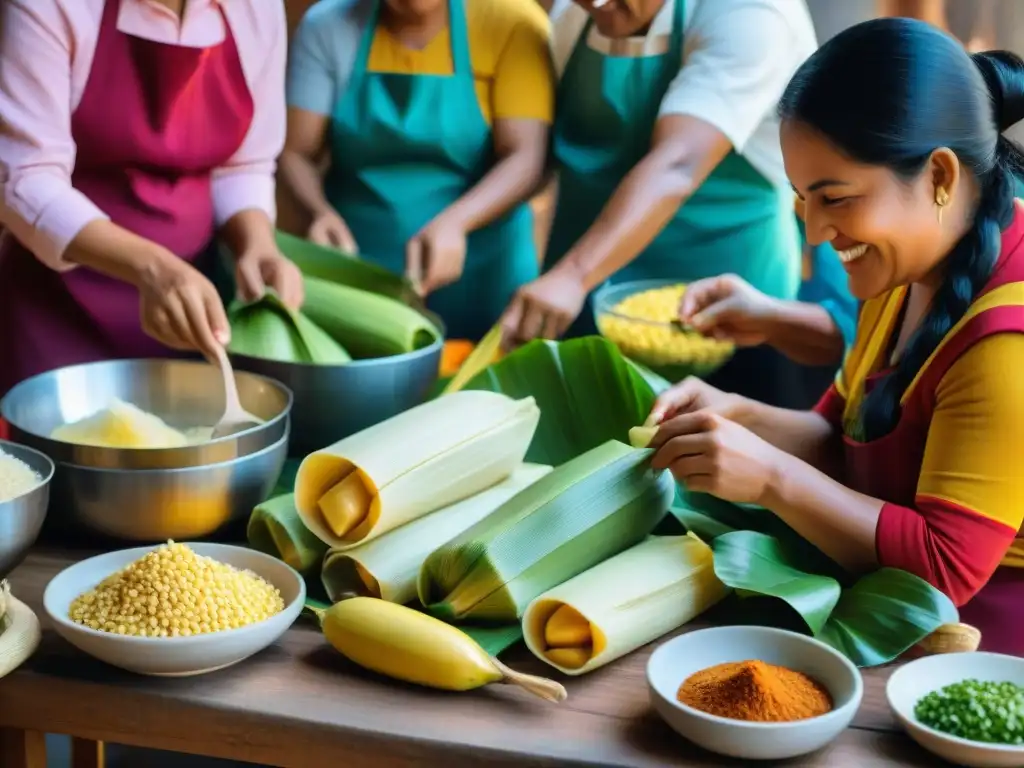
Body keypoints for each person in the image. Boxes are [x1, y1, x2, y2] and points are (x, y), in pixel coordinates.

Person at [646, 18, 1024, 654]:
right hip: (879, 613)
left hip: (974, 658)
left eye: (837, 198)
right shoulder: (906, 265)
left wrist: (769, 476)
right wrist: (740, 419)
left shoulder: (1005, 345)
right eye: (802, 200)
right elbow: (842, 437)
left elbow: (945, 571)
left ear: (939, 176)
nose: (815, 233)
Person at [497, 0, 819, 405]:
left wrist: (573, 275)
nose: (595, 3)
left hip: (723, 321)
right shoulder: (568, 16)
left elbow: (678, 165)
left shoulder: (753, 14)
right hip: (585, 306)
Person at [0, 0, 303, 398]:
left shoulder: (257, 10)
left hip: (193, 316)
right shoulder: (51, 6)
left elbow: (243, 165)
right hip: (55, 316)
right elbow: (24, 177)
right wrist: (153, 269)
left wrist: (258, 245)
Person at [280, 0, 554, 341]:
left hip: (485, 275)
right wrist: (316, 212)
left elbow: (526, 157)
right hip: (358, 284)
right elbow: (296, 153)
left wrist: (458, 222)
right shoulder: (327, 26)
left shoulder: (513, 22)